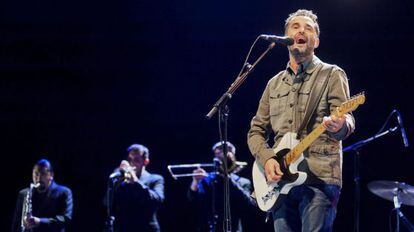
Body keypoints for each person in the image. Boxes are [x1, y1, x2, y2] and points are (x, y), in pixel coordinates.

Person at [247, 9, 355, 232]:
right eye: (295, 27)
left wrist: (340, 125)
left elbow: (347, 120)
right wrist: (267, 159)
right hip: (280, 183)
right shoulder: (274, 84)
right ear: (286, 38)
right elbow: (255, 131)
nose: (301, 30)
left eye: (308, 28)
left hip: (319, 178)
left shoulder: (332, 74)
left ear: (316, 41)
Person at [188, 141, 255, 232]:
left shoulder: (243, 182)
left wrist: (226, 178)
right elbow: (193, 200)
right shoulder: (208, 179)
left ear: (233, 157)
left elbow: (247, 204)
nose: (220, 156)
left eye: (224, 152)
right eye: (217, 153)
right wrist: (195, 181)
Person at [110, 144, 164, 232]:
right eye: (129, 160)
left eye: (136, 160)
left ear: (146, 162)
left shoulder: (155, 179)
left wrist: (135, 181)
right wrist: (117, 181)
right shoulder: (121, 179)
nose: (131, 163)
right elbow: (107, 203)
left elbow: (157, 200)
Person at [12, 159, 73, 232]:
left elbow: (65, 219)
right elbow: (15, 225)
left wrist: (40, 221)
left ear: (51, 175)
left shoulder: (64, 192)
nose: (38, 178)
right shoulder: (24, 194)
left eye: (43, 174)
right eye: (36, 174)